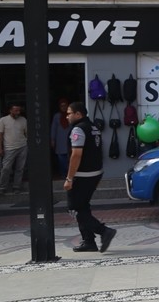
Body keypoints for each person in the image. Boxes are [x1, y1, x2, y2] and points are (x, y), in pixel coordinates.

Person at [64, 101, 117, 253]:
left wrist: (69, 178)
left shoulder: (78, 129)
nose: (67, 116)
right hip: (94, 172)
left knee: (74, 208)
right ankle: (88, 241)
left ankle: (104, 231)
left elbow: (76, 154)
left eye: (69, 113)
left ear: (78, 114)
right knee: (83, 207)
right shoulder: (93, 127)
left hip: (82, 174)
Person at [0, 103, 28, 194]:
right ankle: (2, 187)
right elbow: (0, 135)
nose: (18, 112)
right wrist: (0, 148)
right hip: (9, 148)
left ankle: (16, 187)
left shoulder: (23, 120)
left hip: (22, 146)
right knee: (6, 168)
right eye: (16, 110)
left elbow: (27, 133)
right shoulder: (3, 120)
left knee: (20, 168)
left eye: (19, 110)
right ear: (10, 110)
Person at [50, 98, 71, 178]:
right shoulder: (57, 116)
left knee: (70, 158)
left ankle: (70, 174)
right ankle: (63, 174)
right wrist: (52, 139)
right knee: (61, 158)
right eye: (62, 106)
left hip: (69, 139)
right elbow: (53, 128)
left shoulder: (70, 115)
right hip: (60, 140)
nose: (63, 107)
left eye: (65, 105)